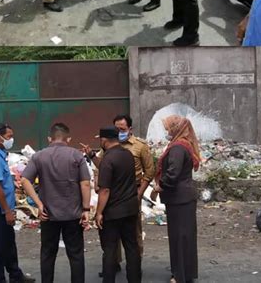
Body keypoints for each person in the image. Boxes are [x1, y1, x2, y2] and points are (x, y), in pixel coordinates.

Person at [82, 114, 155, 270]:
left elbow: (149, 172)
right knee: (111, 233)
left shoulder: (139, 146)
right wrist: (92, 155)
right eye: (117, 128)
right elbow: (104, 166)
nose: (119, 131)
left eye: (122, 128)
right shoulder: (108, 148)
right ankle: (114, 264)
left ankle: (135, 266)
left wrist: (139, 194)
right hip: (112, 194)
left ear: (130, 129)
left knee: (133, 234)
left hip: (131, 192)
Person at [21, 123, 91, 283]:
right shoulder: (76, 156)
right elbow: (85, 183)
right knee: (76, 255)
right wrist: (86, 209)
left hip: (48, 215)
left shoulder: (38, 156)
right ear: (69, 138)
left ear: (49, 138)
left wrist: (39, 204)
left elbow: (25, 180)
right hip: (73, 215)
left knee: (47, 254)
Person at [0, 124, 35, 283]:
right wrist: (7, 211)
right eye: (9, 136)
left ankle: (15, 275)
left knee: (8, 244)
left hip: (2, 209)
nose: (11, 139)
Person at [153, 116, 200, 283]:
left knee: (179, 238)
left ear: (175, 128)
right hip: (184, 197)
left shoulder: (178, 148)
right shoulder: (184, 144)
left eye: (168, 128)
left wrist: (161, 185)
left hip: (179, 198)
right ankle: (187, 273)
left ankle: (180, 276)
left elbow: (173, 172)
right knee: (186, 237)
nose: (167, 131)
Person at [95, 126, 142, 283]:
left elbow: (105, 190)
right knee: (132, 248)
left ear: (104, 140)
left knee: (110, 249)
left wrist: (99, 212)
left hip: (113, 212)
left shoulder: (108, 159)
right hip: (130, 209)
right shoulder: (128, 154)